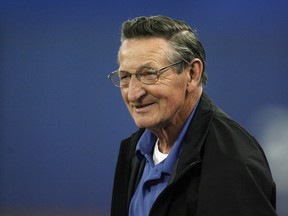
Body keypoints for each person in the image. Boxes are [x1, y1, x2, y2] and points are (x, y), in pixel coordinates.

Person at [108, 15, 277, 216]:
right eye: (126, 77)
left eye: (149, 74)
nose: (134, 93)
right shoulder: (133, 151)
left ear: (192, 74)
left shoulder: (232, 159)